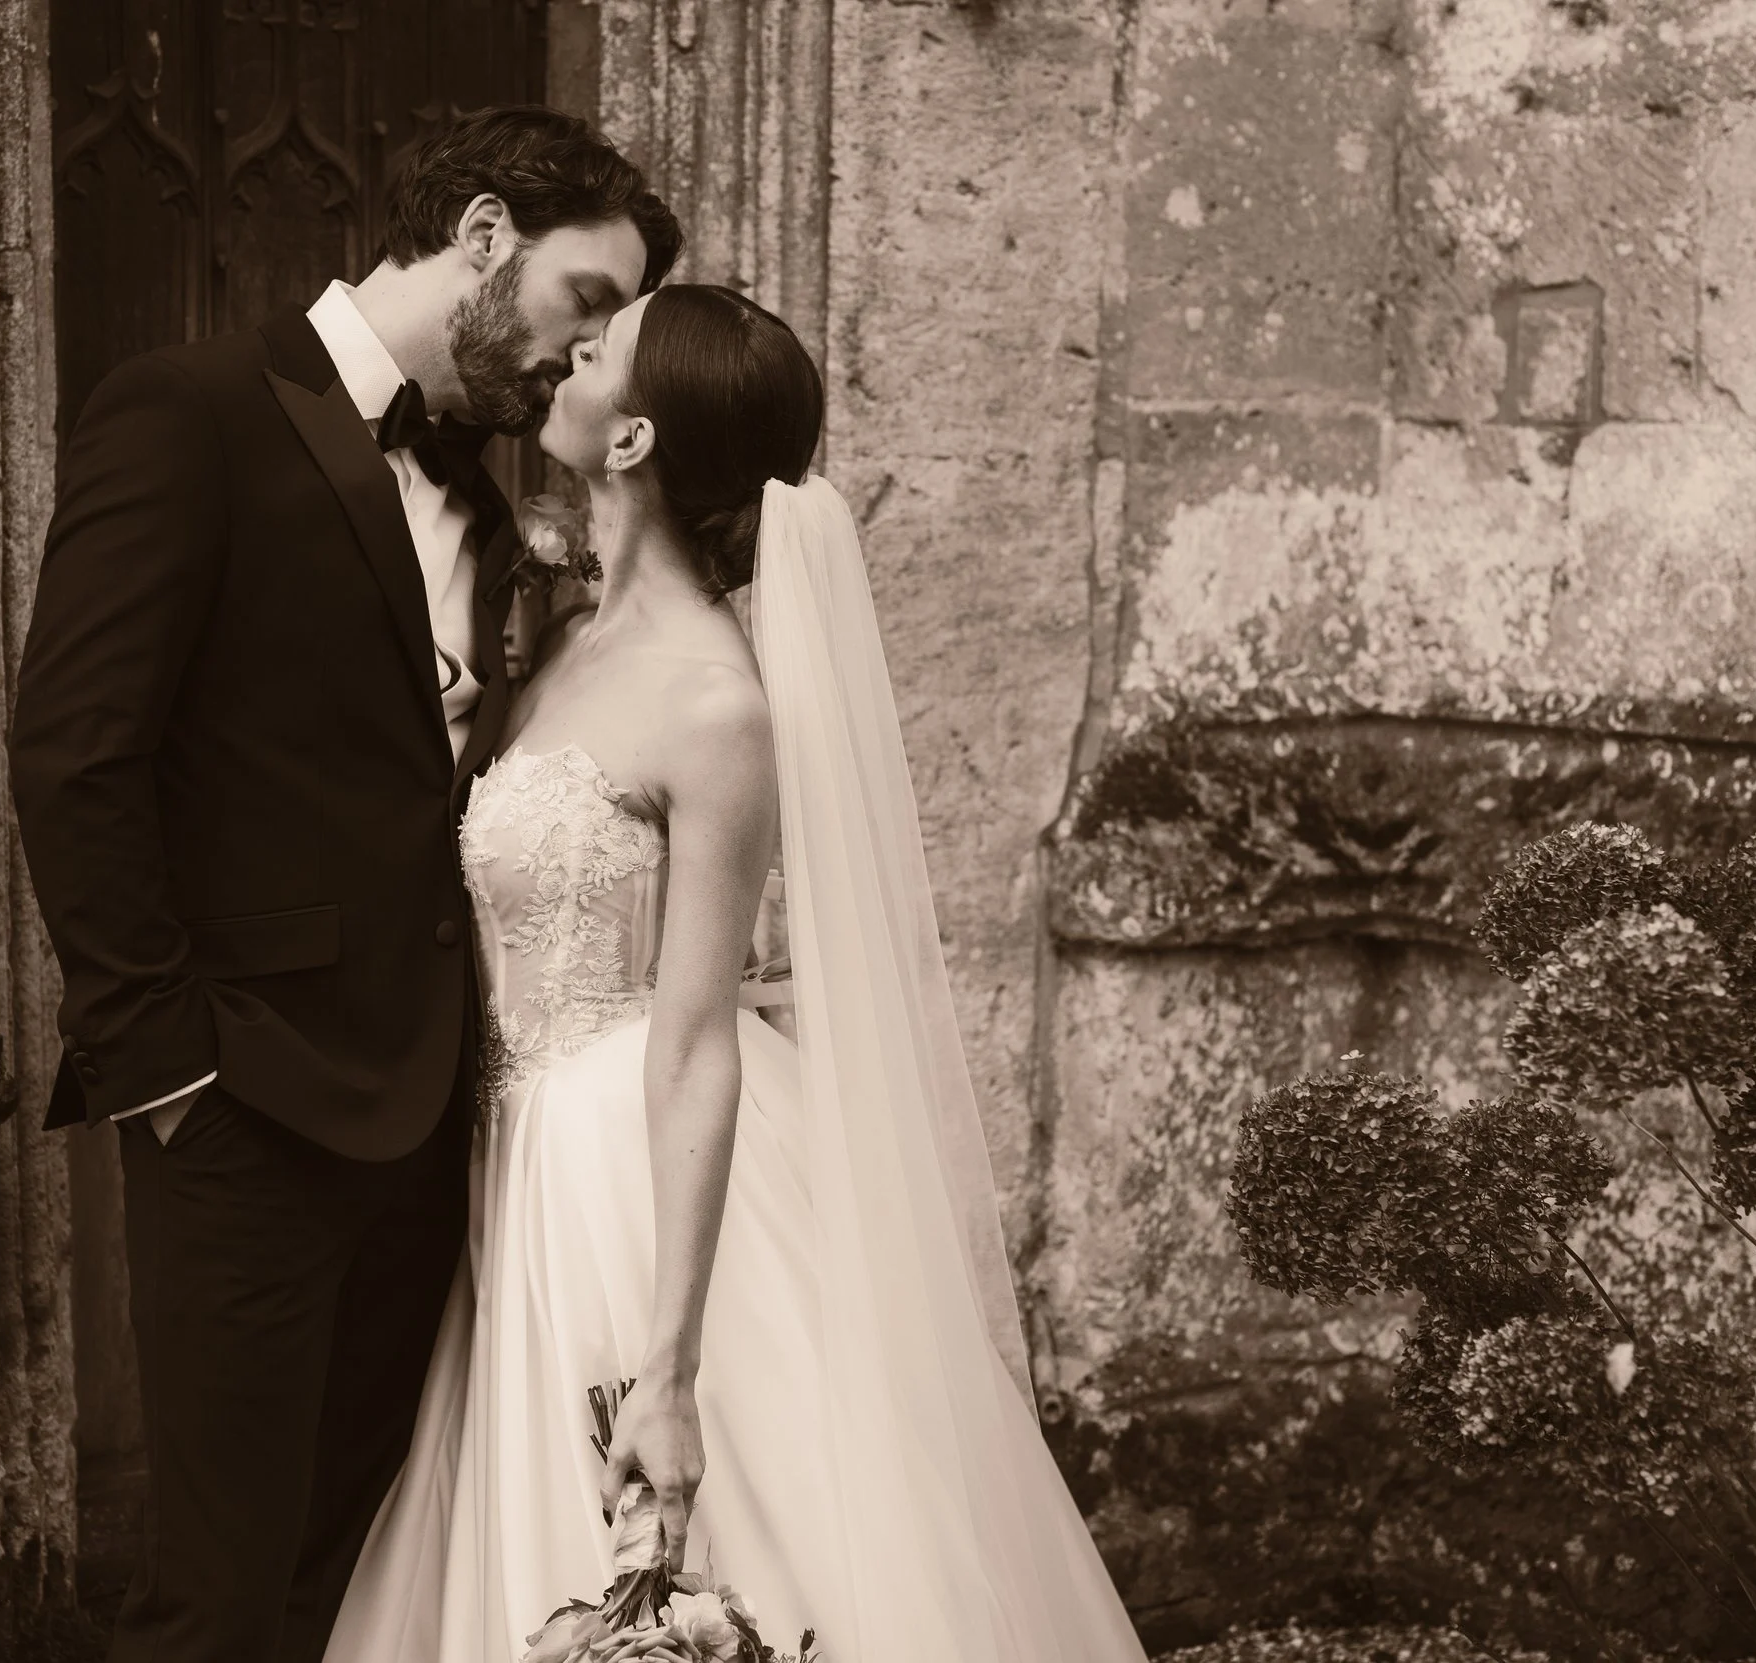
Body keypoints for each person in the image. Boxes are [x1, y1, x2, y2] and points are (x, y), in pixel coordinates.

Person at [322, 285, 1150, 1661]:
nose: (566, 359)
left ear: (634, 438)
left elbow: (698, 1034)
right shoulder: (566, 636)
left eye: (595, 353)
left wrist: (673, 1367)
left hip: (635, 1182)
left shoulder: (716, 703)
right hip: (517, 1157)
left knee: (706, 1558)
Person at [8, 107, 680, 1663]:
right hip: (241, 1103)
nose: (588, 358)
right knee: (223, 1602)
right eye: (590, 302)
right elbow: (73, 751)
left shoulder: (491, 506)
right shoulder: (188, 411)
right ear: (489, 235)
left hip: (438, 1127)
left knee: (359, 1577)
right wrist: (165, 1066)